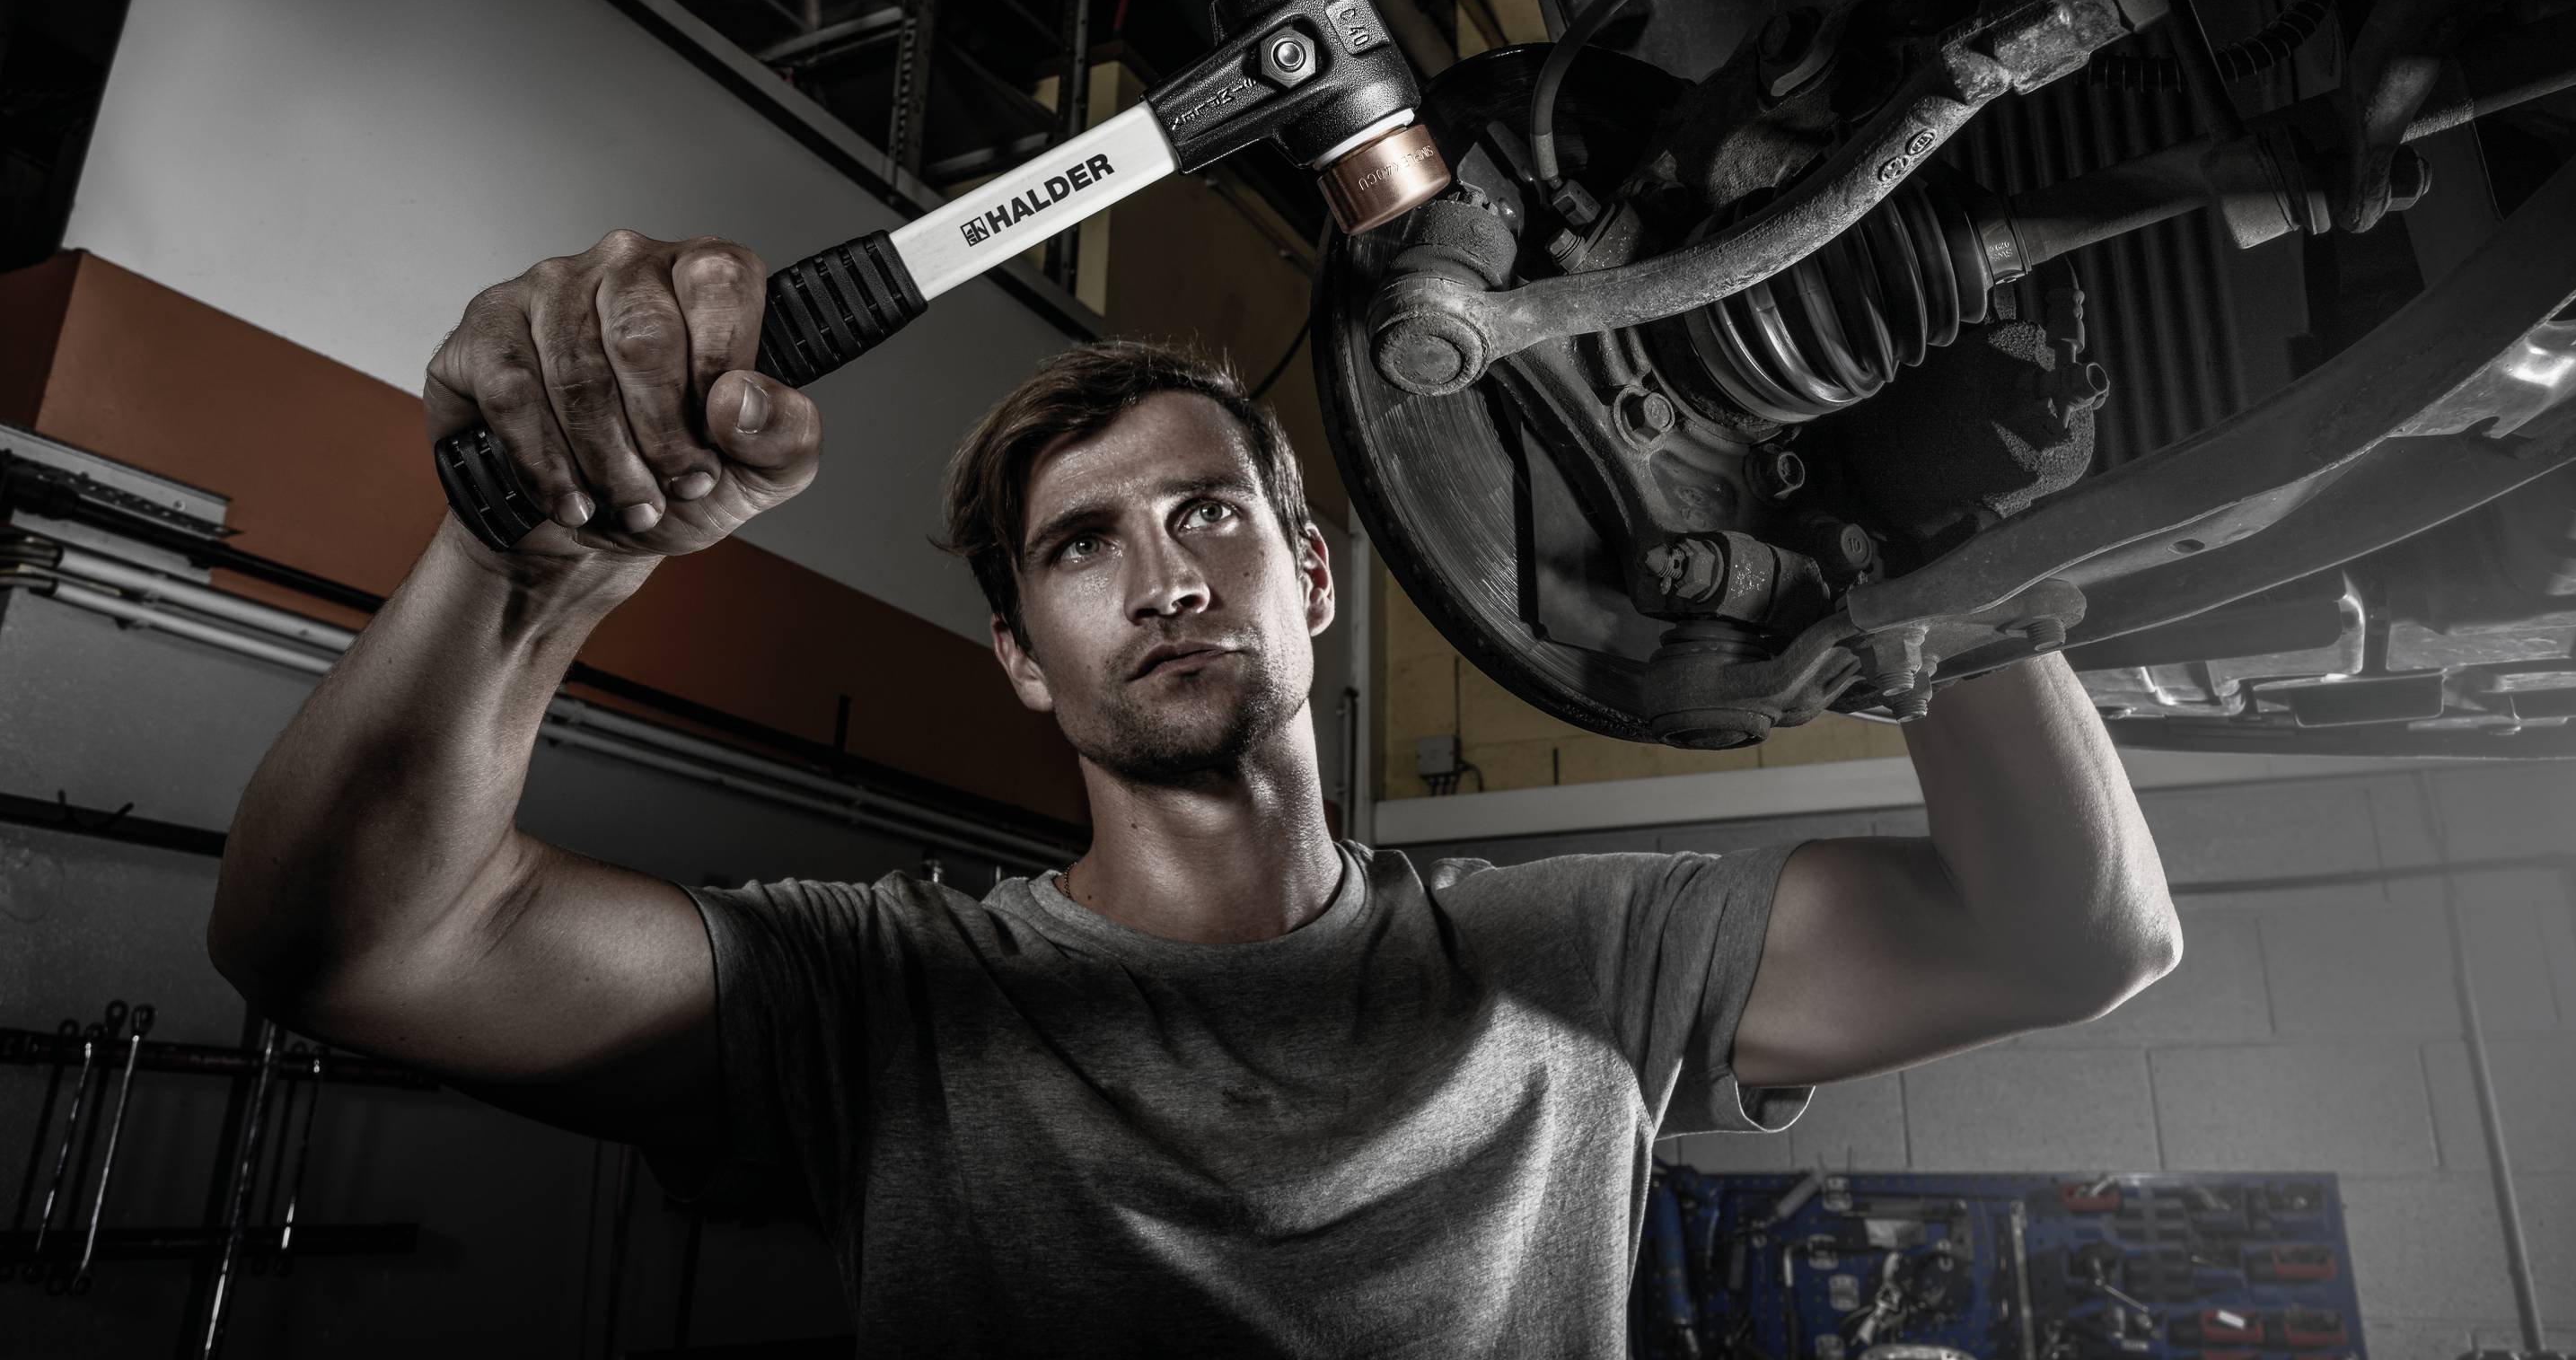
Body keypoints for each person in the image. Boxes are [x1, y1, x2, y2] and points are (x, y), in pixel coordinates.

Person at [209, 230, 2181, 1356]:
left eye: (1210, 513)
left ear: (1307, 575)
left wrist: (1952, 567)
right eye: (1079, 548)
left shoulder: (1579, 951)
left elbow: (2074, 935)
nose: (1160, 574)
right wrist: (527, 566)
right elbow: (358, 944)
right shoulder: (889, 1002)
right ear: (1020, 655)